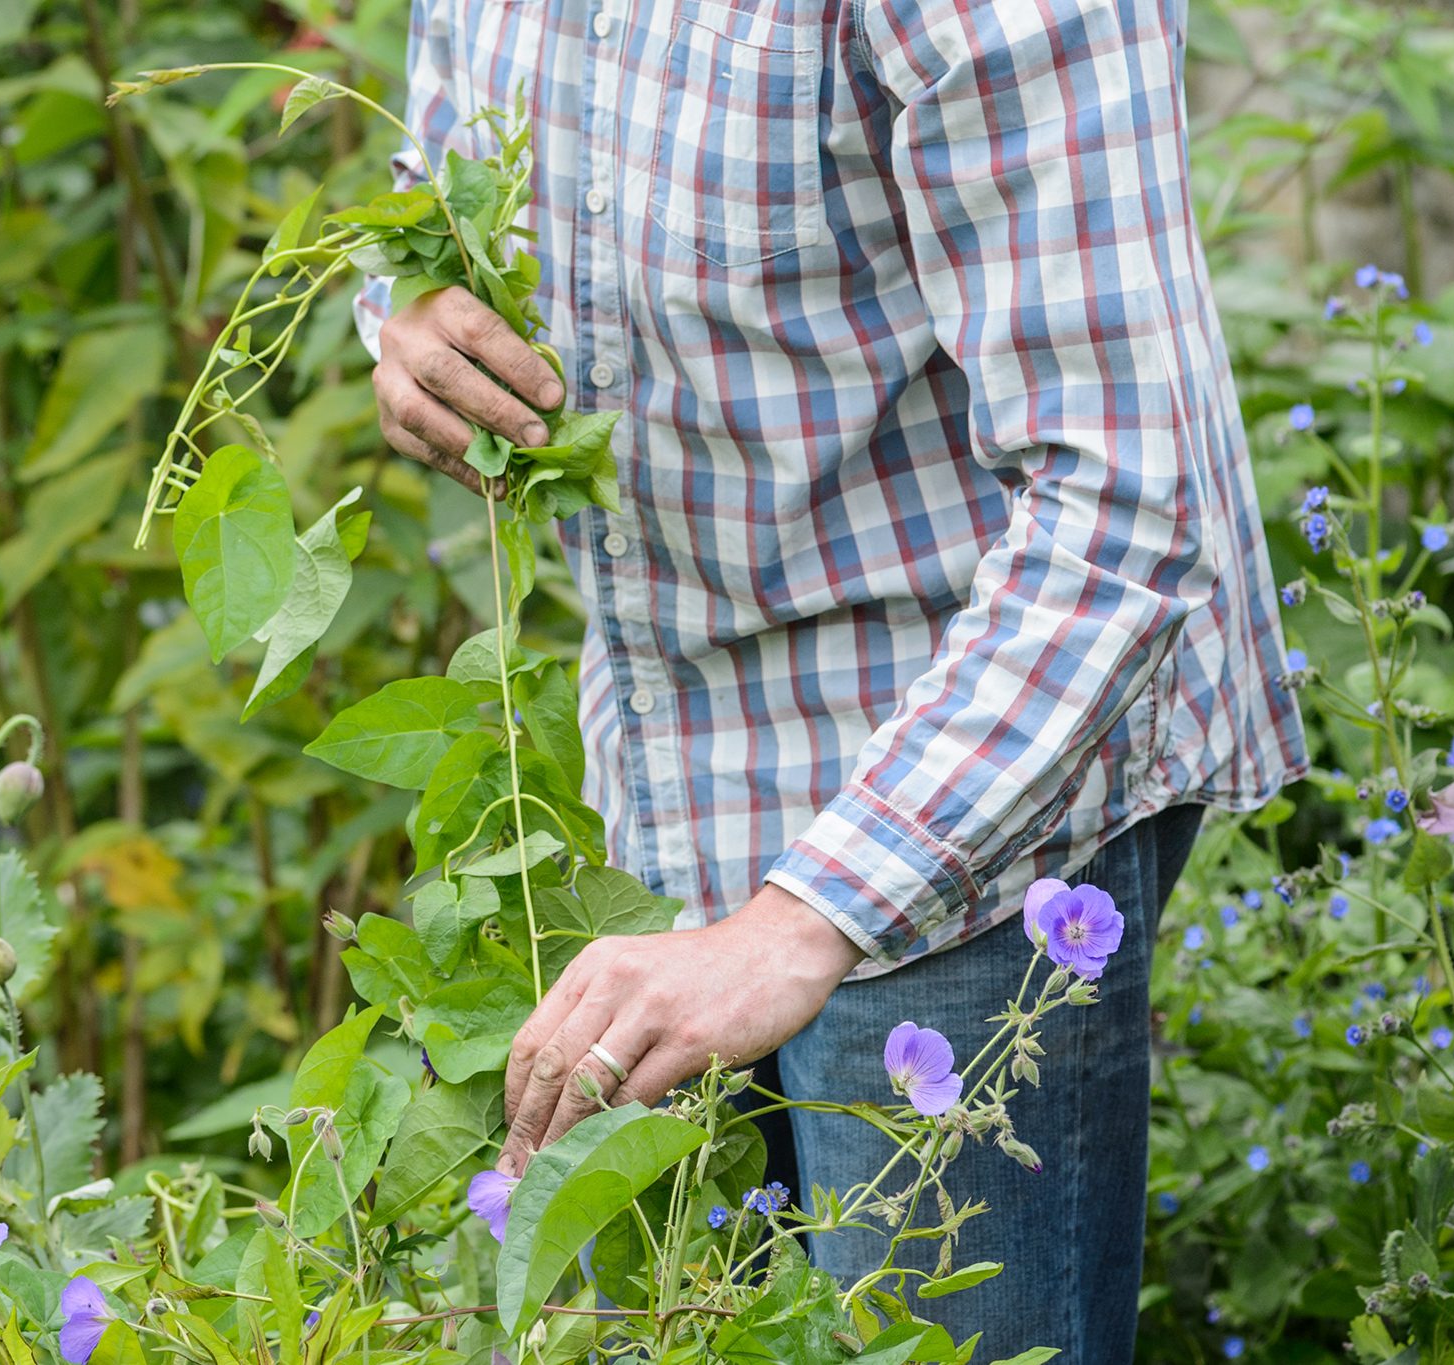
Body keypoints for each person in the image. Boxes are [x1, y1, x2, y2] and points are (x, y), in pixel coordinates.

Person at [354, 0, 1306, 1355]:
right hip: (664, 773)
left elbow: (1129, 503)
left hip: (971, 798)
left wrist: (796, 922)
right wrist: (410, 316)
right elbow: (437, 176)